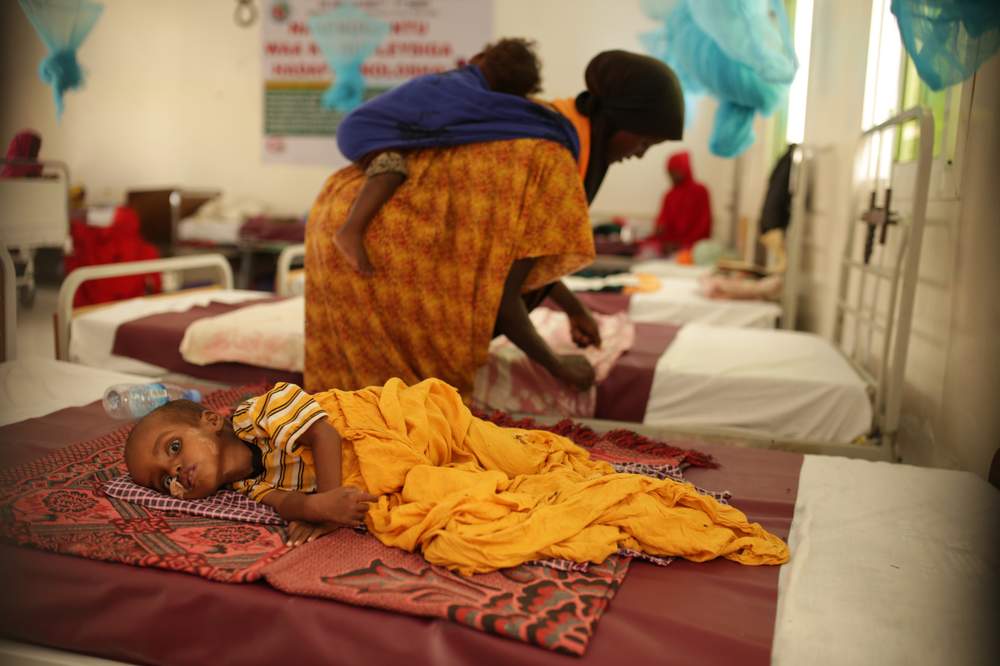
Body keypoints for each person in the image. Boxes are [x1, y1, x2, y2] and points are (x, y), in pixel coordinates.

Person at [305, 49, 684, 398]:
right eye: (643, 142)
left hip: (353, 220)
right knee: (409, 406)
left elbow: (518, 252)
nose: (639, 154)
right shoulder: (553, 157)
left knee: (370, 402)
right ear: (615, 121)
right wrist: (558, 366)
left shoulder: (546, 128)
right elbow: (502, 296)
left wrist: (573, 307)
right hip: (379, 245)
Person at [124, 379, 789, 574]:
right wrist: (311, 510)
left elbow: (325, 429)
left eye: (172, 446)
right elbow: (283, 499)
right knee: (456, 522)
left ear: (208, 424)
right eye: (164, 480)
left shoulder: (254, 411)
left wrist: (325, 496)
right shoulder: (245, 489)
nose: (175, 471)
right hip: (364, 475)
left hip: (393, 422)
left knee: (510, 454)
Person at [334, 38, 551, 275]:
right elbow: (493, 112)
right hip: (366, 130)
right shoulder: (456, 87)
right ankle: (351, 231)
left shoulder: (469, 88)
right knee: (391, 169)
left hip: (392, 131)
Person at [642, 151, 712, 256]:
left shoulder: (700, 191)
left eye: (674, 171)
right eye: (669, 172)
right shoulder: (669, 195)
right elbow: (662, 219)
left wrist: (682, 244)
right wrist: (660, 229)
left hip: (692, 245)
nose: (671, 176)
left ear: (684, 168)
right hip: (669, 245)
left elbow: (704, 223)